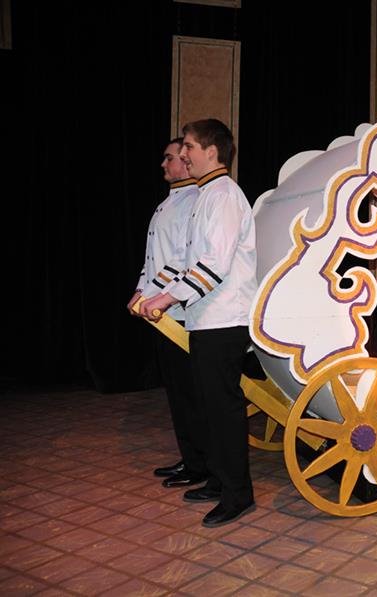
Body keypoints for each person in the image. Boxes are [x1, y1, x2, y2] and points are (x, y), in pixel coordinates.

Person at [140, 118, 258, 526]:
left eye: (188, 147)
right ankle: (219, 480)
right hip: (206, 318)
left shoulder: (223, 195)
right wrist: (154, 292)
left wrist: (164, 298)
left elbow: (213, 265)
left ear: (211, 151)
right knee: (210, 407)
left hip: (224, 318)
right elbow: (186, 261)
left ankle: (238, 494)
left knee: (222, 409)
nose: (183, 154)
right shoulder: (208, 194)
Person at [127, 138, 208, 488]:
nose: (164, 164)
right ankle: (191, 460)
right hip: (163, 311)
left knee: (189, 393)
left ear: (186, 162)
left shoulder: (193, 201)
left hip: (180, 312)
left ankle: (201, 465)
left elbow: (181, 259)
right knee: (177, 393)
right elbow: (153, 258)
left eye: (169, 158)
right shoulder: (169, 202)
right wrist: (140, 289)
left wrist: (156, 295)